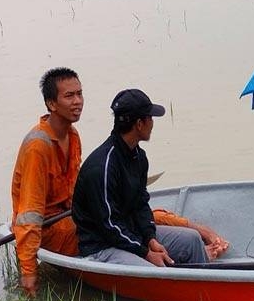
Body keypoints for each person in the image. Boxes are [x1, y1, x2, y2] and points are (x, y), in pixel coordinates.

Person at [72, 88, 210, 267]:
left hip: (132, 234)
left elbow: (141, 204)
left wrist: (151, 238)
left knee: (192, 239)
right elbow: (109, 226)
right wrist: (146, 253)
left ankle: (201, 289)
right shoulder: (102, 166)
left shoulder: (138, 156)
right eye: (150, 118)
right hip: (102, 246)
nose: (152, 123)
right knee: (151, 269)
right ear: (139, 124)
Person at [10, 67, 83, 297]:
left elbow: (74, 188)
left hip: (66, 215)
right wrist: (29, 270)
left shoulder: (73, 135)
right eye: (69, 96)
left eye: (80, 94)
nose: (78, 102)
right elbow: (30, 214)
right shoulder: (38, 146)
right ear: (52, 104)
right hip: (49, 227)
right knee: (104, 233)